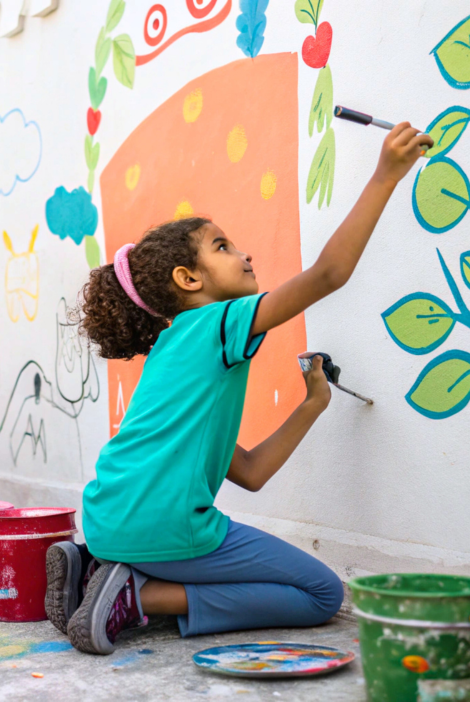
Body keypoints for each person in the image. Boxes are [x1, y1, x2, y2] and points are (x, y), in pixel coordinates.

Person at [45, 123, 433, 654]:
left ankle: (98, 569)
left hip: (107, 519)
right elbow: (328, 274)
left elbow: (248, 473)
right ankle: (139, 597)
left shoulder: (174, 355)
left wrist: (312, 405)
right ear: (189, 280)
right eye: (222, 246)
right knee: (322, 593)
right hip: (163, 528)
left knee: (284, 580)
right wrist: (386, 174)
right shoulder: (221, 321)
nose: (244, 254)